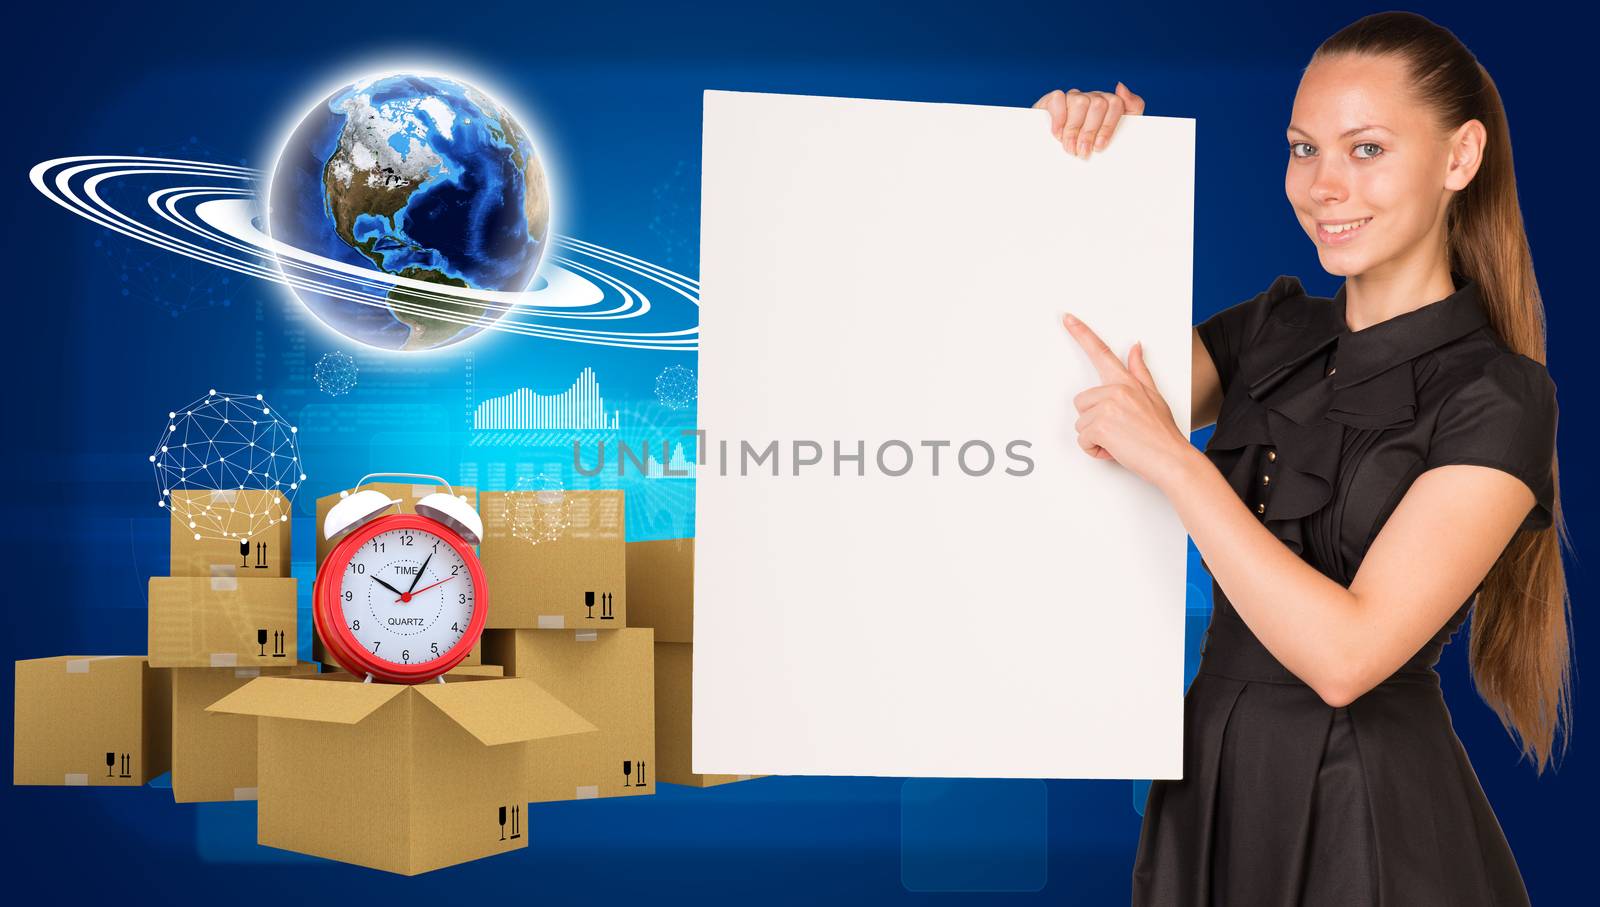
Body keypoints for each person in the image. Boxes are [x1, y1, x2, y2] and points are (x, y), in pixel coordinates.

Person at [1035, 11, 1570, 905]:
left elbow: (1347, 656)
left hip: (1364, 811)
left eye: (1365, 150)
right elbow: (1071, 390)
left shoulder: (1500, 396)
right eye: (1301, 148)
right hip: (1205, 783)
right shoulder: (1270, 332)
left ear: (1459, 157)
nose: (1323, 185)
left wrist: (1180, 465)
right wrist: (1089, 174)